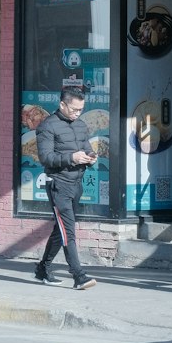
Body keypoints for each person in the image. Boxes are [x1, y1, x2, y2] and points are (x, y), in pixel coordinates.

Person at [35, 88, 98, 290]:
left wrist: (90, 156)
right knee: (68, 231)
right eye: (74, 109)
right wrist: (71, 158)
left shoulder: (80, 125)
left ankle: (42, 269)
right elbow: (45, 158)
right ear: (62, 104)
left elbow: (85, 146)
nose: (77, 113)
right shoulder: (47, 126)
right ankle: (79, 276)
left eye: (81, 109)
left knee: (60, 228)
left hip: (76, 183)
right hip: (58, 184)